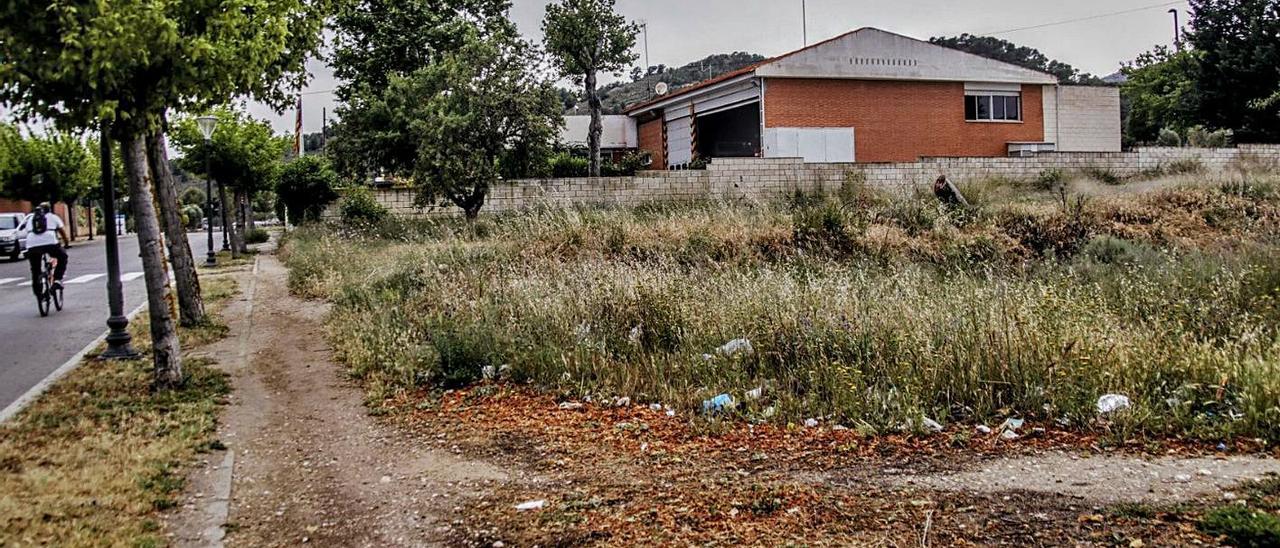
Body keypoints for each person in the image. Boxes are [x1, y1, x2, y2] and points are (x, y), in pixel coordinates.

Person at [22, 202, 70, 295]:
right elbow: (62, 232)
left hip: (32, 245)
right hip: (50, 244)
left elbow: (27, 231)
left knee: (35, 269)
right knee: (63, 257)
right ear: (49, 209)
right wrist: (66, 243)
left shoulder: (31, 218)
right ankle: (57, 280)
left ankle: (38, 293)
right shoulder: (53, 217)